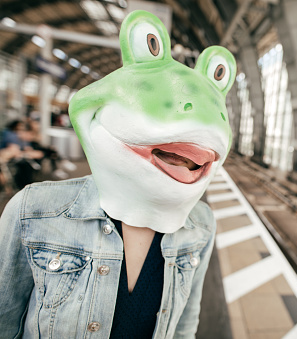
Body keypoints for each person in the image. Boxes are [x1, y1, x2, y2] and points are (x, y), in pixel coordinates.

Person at [0, 10, 236, 339]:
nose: (181, 162)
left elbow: (184, 327)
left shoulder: (201, 226)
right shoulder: (32, 212)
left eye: (190, 160)